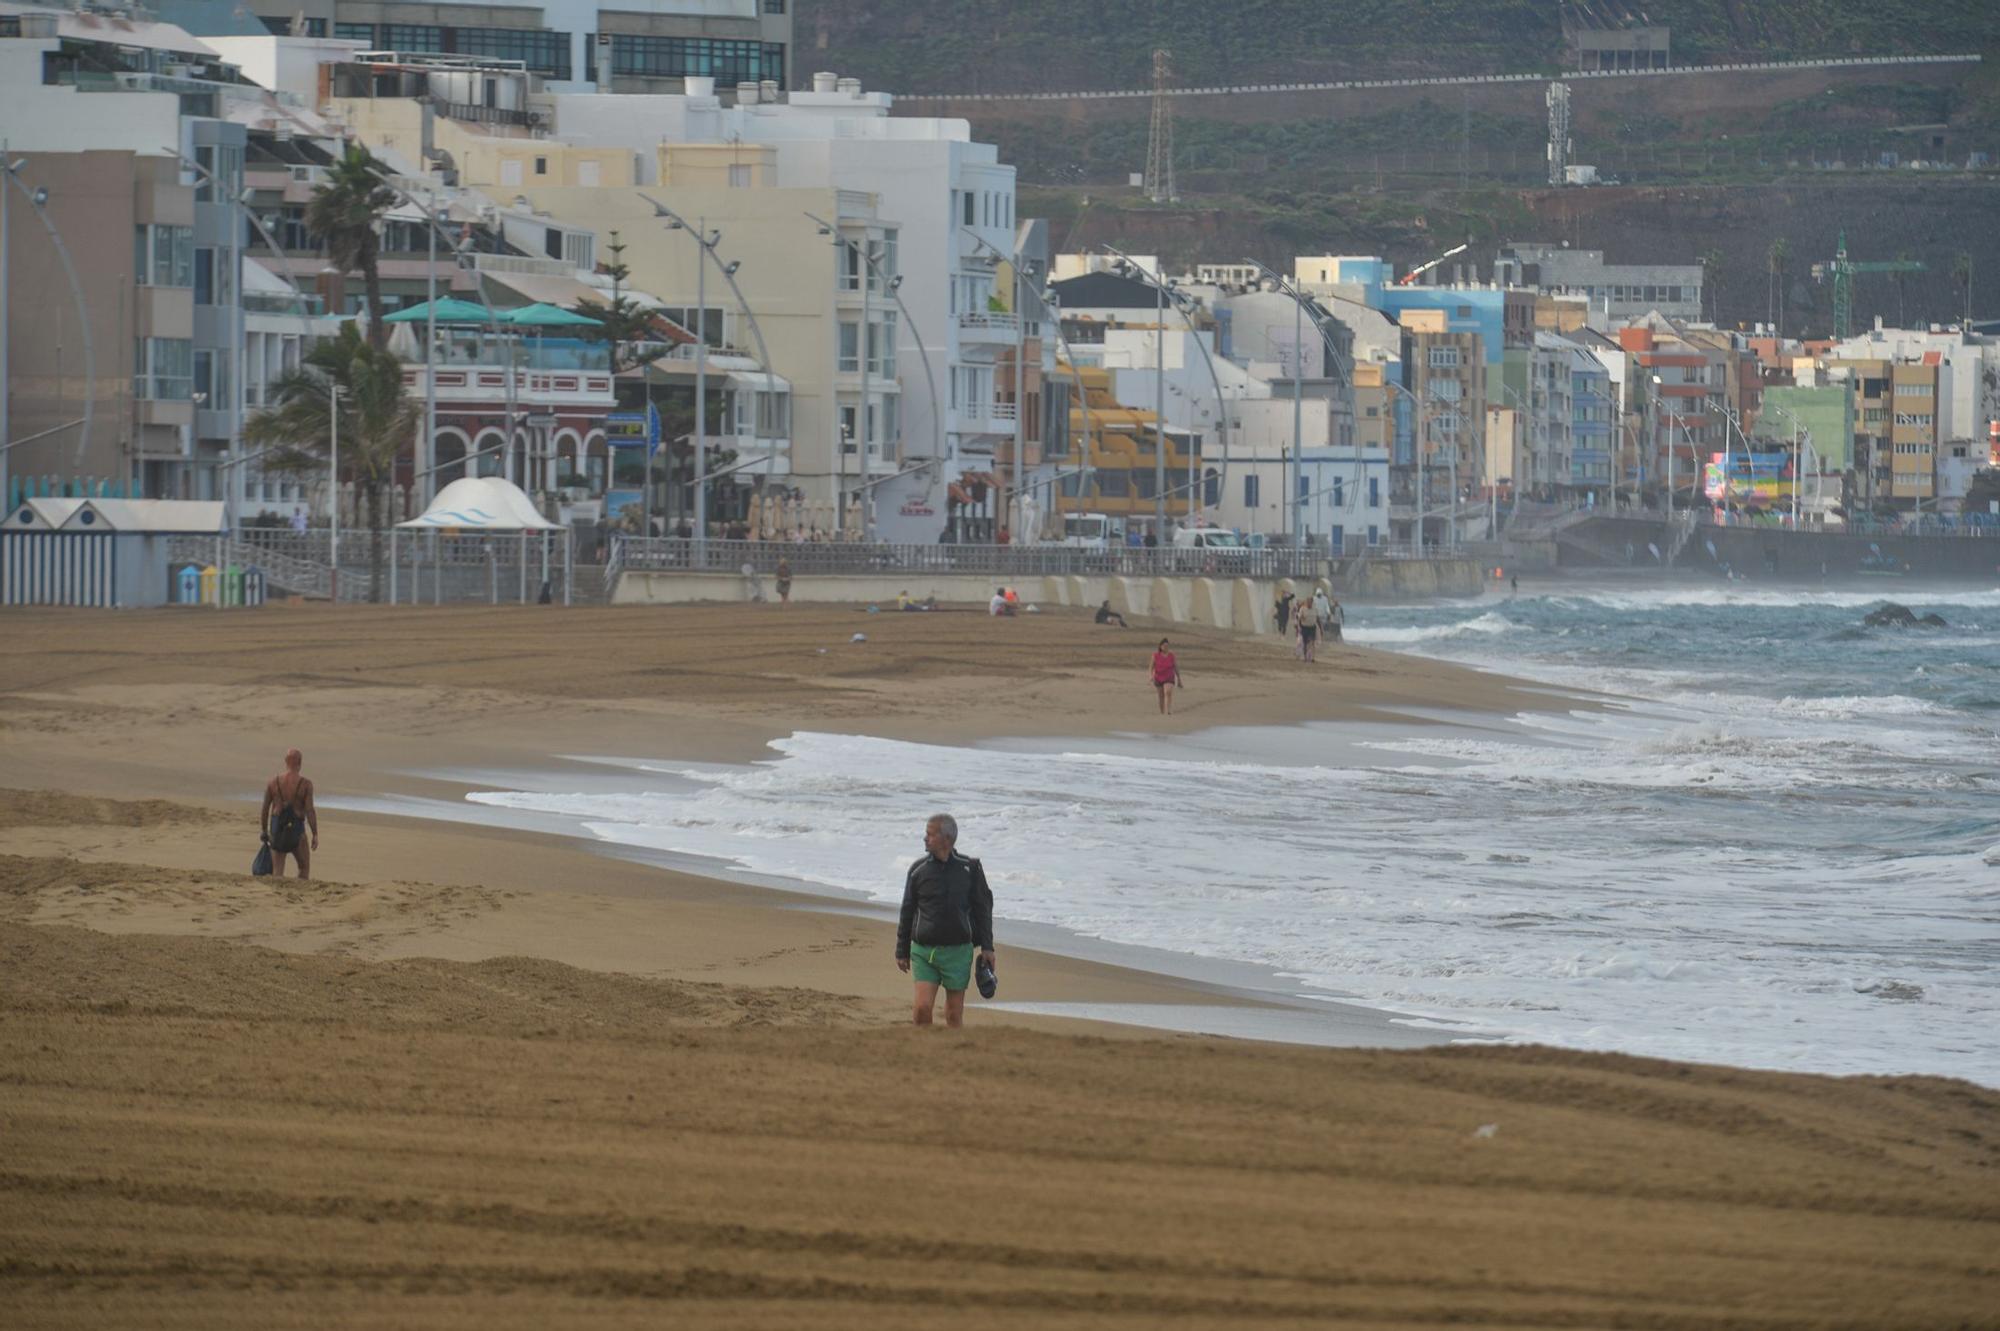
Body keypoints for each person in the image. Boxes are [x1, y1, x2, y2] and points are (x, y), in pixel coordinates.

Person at [895, 814, 995, 1029]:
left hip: (958, 952)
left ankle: (951, 1054)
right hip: (923, 951)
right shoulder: (917, 870)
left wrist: (988, 947)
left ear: (947, 839)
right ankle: (924, 1052)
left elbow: (983, 909)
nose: (925, 838)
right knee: (922, 1008)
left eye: (930, 834)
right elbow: (907, 911)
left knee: (953, 1013)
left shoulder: (970, 869)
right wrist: (901, 950)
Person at [259, 748, 319, 880]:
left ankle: (277, 897)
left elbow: (265, 809)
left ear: (285, 761)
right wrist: (315, 833)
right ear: (300, 763)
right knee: (303, 868)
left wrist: (264, 831)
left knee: (277, 871)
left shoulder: (273, 782)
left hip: (277, 829)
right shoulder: (306, 784)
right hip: (296, 830)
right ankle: (299, 896)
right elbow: (310, 810)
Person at [1150, 637, 1182, 714]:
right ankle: (1162, 712)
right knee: (1161, 696)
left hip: (1169, 677)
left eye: (1167, 646)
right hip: (1158, 677)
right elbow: (1151, 667)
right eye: (1164, 646)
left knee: (1168, 691)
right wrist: (1151, 676)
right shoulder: (1155, 655)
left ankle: (1169, 711)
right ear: (1160, 646)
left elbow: (1176, 667)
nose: (1166, 647)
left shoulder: (1171, 655)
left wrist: (1179, 679)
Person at [1294, 597, 1317, 663]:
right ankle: (1305, 657)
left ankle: (1313, 658)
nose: (1309, 603)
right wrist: (1299, 627)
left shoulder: (1315, 609)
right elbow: (1299, 619)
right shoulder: (1302, 609)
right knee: (1305, 643)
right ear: (1306, 602)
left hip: (1312, 627)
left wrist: (1320, 629)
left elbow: (1317, 619)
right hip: (1304, 628)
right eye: (1308, 602)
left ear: (1312, 603)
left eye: (1310, 602)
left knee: (1312, 642)